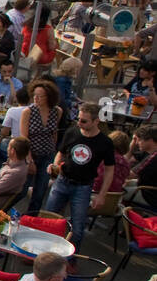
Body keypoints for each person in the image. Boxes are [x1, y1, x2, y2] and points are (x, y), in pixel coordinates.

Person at [44, 102, 115, 248]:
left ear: (96, 121)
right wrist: (56, 166)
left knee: (77, 226)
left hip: (83, 187)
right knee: (49, 218)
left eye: (84, 121)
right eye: (78, 119)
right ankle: (42, 251)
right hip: (63, 181)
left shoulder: (105, 142)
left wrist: (102, 194)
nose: (79, 123)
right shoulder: (72, 132)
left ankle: (71, 259)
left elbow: (109, 169)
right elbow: (61, 153)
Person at [19, 79, 63, 214]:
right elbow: (24, 137)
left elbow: (54, 132)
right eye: (34, 95)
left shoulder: (57, 111)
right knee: (22, 189)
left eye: (40, 96)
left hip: (47, 153)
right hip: (31, 152)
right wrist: (29, 159)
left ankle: (30, 218)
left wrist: (54, 153)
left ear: (48, 97)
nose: (36, 99)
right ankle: (3, 211)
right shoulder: (28, 111)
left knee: (40, 190)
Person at [130, 126, 157, 206]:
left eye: (139, 139)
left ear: (150, 140)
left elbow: (129, 175)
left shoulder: (153, 157)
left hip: (150, 196)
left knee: (117, 191)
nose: (137, 143)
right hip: (149, 189)